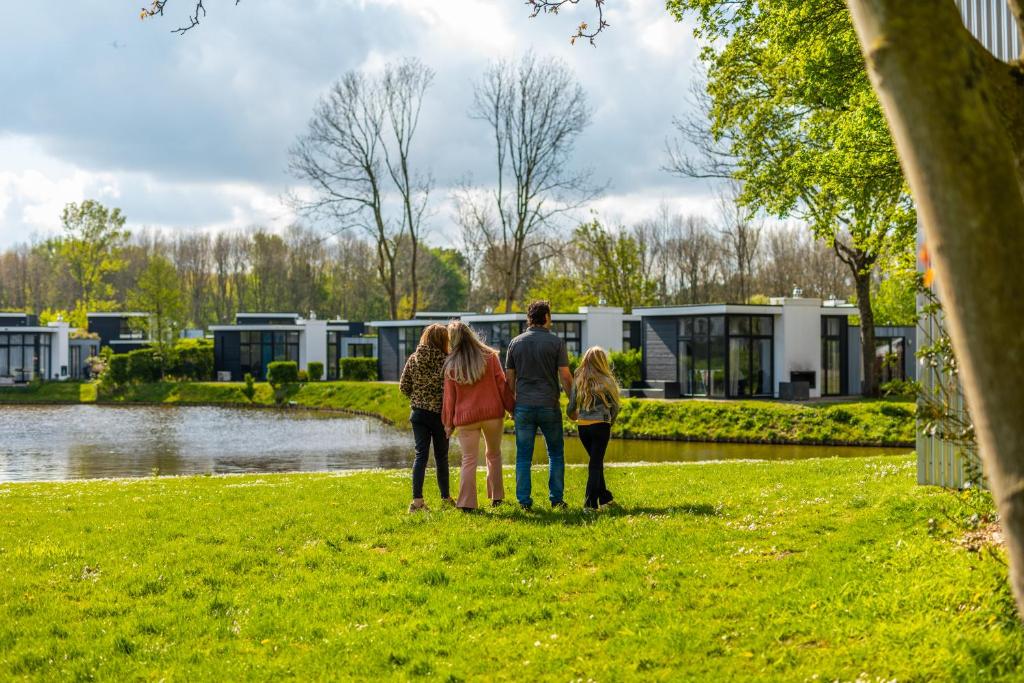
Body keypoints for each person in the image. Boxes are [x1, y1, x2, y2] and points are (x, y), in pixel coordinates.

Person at [505, 300, 572, 510]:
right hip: (549, 405)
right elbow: (565, 377)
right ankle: (557, 499)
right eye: (550, 315)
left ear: (529, 318)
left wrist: (510, 406)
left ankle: (524, 502)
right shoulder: (556, 343)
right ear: (546, 317)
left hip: (523, 406)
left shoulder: (515, 343)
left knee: (523, 456)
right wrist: (574, 403)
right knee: (555, 454)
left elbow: (509, 379)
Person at [441, 321, 515, 512]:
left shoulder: (451, 364)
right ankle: (497, 498)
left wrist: (448, 423)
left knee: (468, 459)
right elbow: (502, 385)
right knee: (494, 454)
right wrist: (512, 408)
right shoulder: (490, 357)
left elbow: (450, 398)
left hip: (466, 418)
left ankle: (466, 503)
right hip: (492, 414)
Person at [399, 324, 453, 513]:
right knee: (442, 458)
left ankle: (417, 501)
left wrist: (418, 397)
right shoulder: (447, 361)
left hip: (419, 414)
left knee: (420, 456)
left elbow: (403, 387)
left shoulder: (414, 359)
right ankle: (446, 498)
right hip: (440, 415)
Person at [567, 347, 620, 511]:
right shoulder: (607, 380)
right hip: (601, 425)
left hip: (583, 427)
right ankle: (589, 504)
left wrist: (575, 416)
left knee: (596, 463)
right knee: (595, 464)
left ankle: (605, 498)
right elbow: (616, 407)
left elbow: (571, 406)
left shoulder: (579, 377)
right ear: (602, 361)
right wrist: (609, 422)